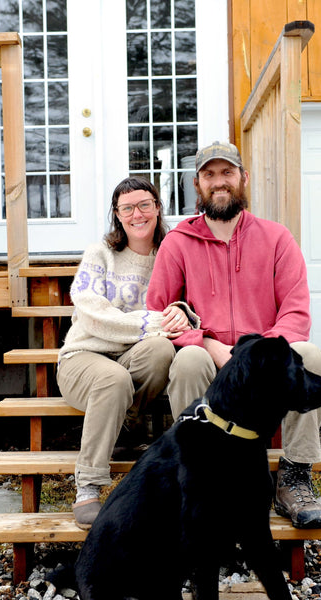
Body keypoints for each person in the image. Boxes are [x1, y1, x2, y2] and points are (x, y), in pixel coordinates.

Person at [146, 141, 321, 529]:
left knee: (310, 356)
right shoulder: (178, 243)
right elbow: (160, 314)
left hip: (262, 362)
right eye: (210, 175)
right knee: (188, 360)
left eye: (227, 173)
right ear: (197, 184)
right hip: (211, 367)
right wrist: (208, 344)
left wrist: (257, 356)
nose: (220, 183)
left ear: (243, 179)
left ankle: (294, 480)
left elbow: (296, 311)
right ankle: (201, 478)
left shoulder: (277, 238)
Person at [57, 176, 198, 529]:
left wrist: (182, 311)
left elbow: (189, 306)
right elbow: (93, 314)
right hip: (84, 357)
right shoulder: (100, 253)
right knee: (114, 378)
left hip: (136, 358)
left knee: (162, 351)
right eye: (127, 208)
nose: (137, 214)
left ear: (158, 208)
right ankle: (88, 485)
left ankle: (122, 427)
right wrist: (156, 321)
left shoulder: (172, 252)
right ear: (117, 215)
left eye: (144, 205)